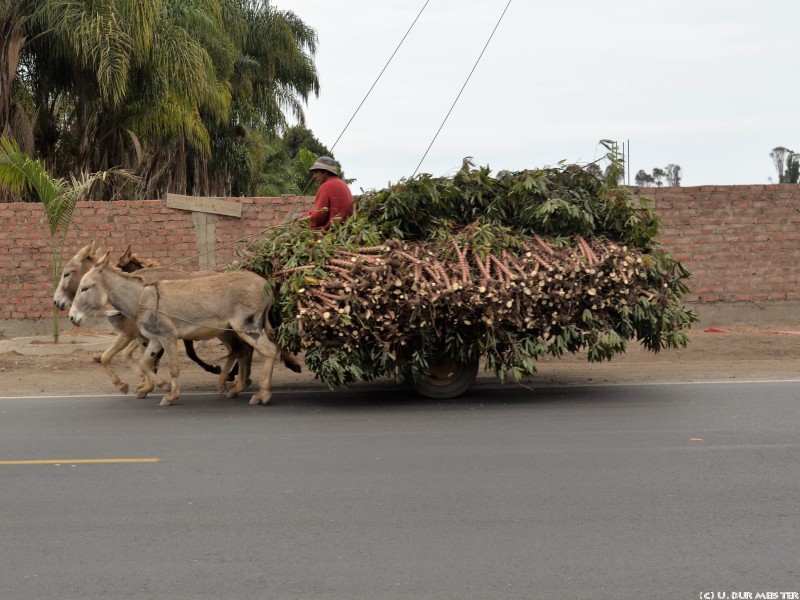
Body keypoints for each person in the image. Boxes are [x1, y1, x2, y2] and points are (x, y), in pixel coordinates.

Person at [304, 156, 354, 230]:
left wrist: (302, 219)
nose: (315, 176)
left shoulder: (326, 186)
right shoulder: (343, 184)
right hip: (345, 228)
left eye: (317, 172)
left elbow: (318, 217)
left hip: (330, 231)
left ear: (326, 172)